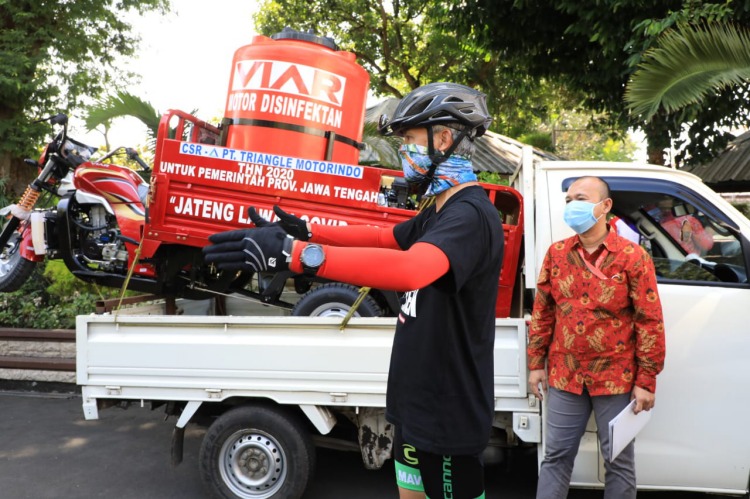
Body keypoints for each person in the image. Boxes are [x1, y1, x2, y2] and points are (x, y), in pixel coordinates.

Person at [202, 82, 505, 499]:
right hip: (416, 406)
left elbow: (411, 268)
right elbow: (385, 239)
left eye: (410, 140)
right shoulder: (438, 209)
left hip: (448, 415)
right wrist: (307, 230)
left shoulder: (471, 214)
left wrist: (298, 256)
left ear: (444, 139)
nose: (404, 152)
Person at [527, 176, 666, 499]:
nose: (573, 205)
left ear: (605, 206)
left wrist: (646, 379)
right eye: (569, 200)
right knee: (556, 458)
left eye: (581, 198)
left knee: (618, 462)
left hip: (616, 377)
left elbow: (650, 320)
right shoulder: (557, 254)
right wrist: (536, 363)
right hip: (565, 375)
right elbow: (544, 312)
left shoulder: (632, 256)